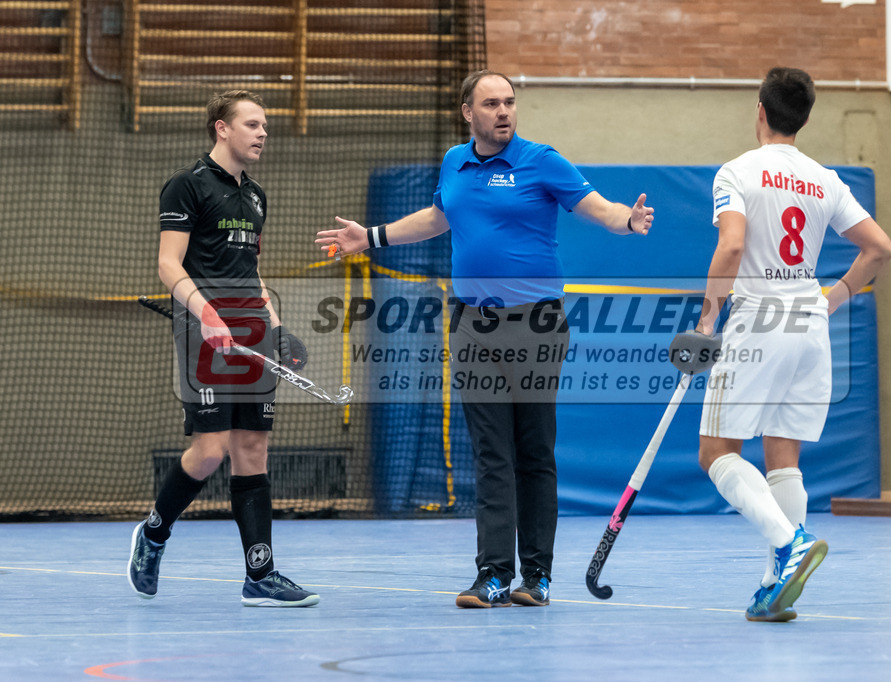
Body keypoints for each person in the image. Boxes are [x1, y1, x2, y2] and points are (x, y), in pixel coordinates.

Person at [316, 70, 653, 608]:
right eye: (491, 103)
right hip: (474, 324)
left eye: (510, 102)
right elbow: (438, 216)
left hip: (537, 323)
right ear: (467, 112)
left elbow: (600, 208)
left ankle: (536, 576)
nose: (504, 112)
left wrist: (628, 220)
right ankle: (492, 575)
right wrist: (372, 237)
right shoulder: (455, 162)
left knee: (533, 451)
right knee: (490, 453)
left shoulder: (541, 160)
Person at [695, 67, 891, 622]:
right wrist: (833, 299)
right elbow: (879, 248)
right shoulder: (825, 179)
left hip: (758, 323)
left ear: (760, 109)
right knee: (784, 459)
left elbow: (732, 247)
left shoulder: (737, 171)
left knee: (717, 451)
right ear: (802, 116)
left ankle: (791, 544)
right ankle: (773, 586)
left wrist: (707, 320)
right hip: (810, 327)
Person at [128, 90, 319, 607]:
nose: (262, 134)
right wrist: (208, 316)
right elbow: (170, 265)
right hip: (201, 332)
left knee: (252, 449)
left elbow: (252, 273)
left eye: (265, 127)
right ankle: (154, 533)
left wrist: (276, 331)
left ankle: (261, 575)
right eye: (252, 124)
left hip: (251, 334)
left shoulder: (256, 196)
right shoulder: (185, 187)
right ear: (221, 128)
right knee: (211, 450)